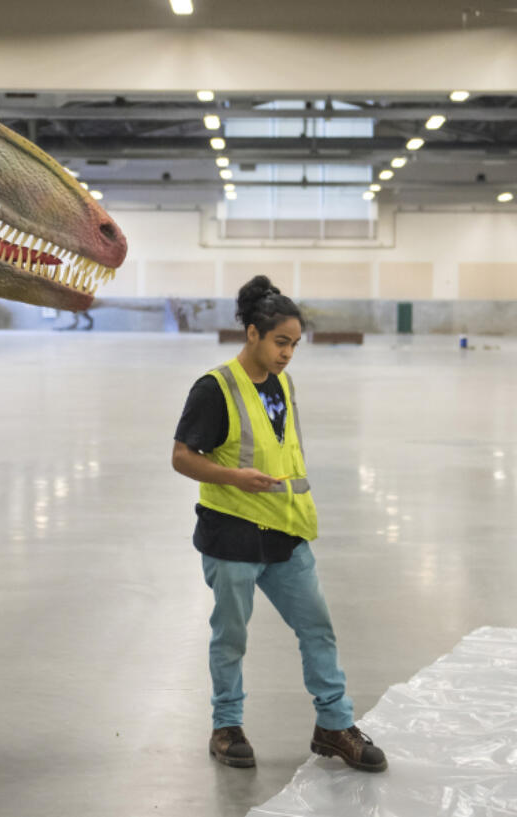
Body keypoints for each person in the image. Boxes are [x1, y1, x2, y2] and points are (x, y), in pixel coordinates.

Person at [170, 275, 387, 774]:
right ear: (252, 334)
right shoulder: (215, 387)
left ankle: (333, 725)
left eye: (294, 344)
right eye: (280, 342)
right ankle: (226, 727)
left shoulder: (283, 383)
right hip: (233, 536)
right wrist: (232, 478)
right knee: (231, 637)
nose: (288, 353)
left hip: (286, 535)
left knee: (318, 630)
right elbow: (182, 456)